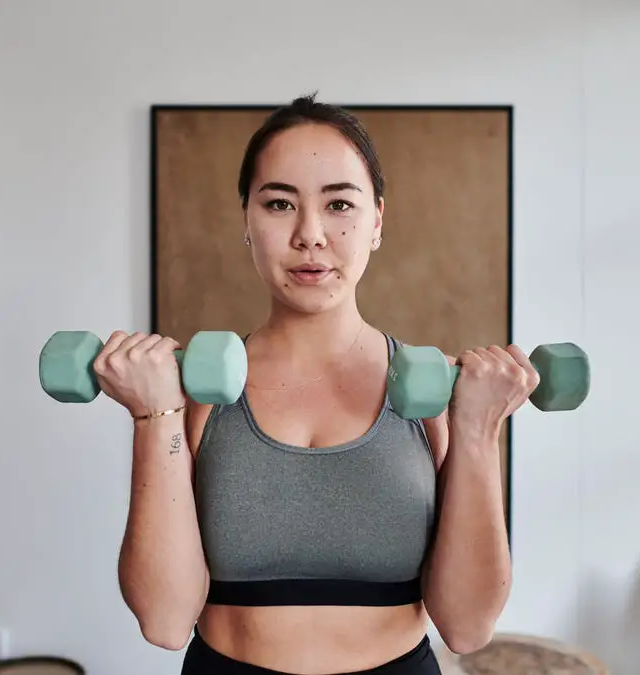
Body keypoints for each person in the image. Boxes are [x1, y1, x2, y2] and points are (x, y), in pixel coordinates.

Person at [94, 94, 539, 675]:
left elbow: (468, 625)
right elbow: (164, 620)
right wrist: (154, 417)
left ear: (376, 220)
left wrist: (478, 430)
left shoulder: (429, 401)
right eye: (279, 203)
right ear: (246, 220)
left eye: (339, 205)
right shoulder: (197, 400)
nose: (310, 234)